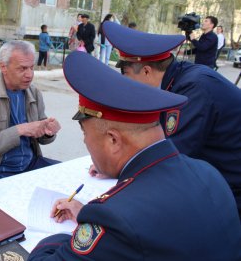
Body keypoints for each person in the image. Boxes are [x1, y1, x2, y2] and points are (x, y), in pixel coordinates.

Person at [29, 51, 241, 260]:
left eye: (85, 134)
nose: (85, 143)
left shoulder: (114, 218)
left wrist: (68, 234)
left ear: (113, 140)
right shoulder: (209, 173)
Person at [102, 21, 241, 218]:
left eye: (126, 75)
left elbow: (171, 156)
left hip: (231, 193)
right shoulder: (176, 82)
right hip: (217, 182)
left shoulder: (193, 89)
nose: (126, 84)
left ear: (147, 71)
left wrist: (120, 167)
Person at [0, 40, 61, 179]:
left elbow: (42, 139)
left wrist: (48, 132)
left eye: (32, 67)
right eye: (22, 68)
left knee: (72, 182)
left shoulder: (33, 92)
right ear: (3, 67)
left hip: (30, 165)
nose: (29, 75)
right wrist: (20, 130)